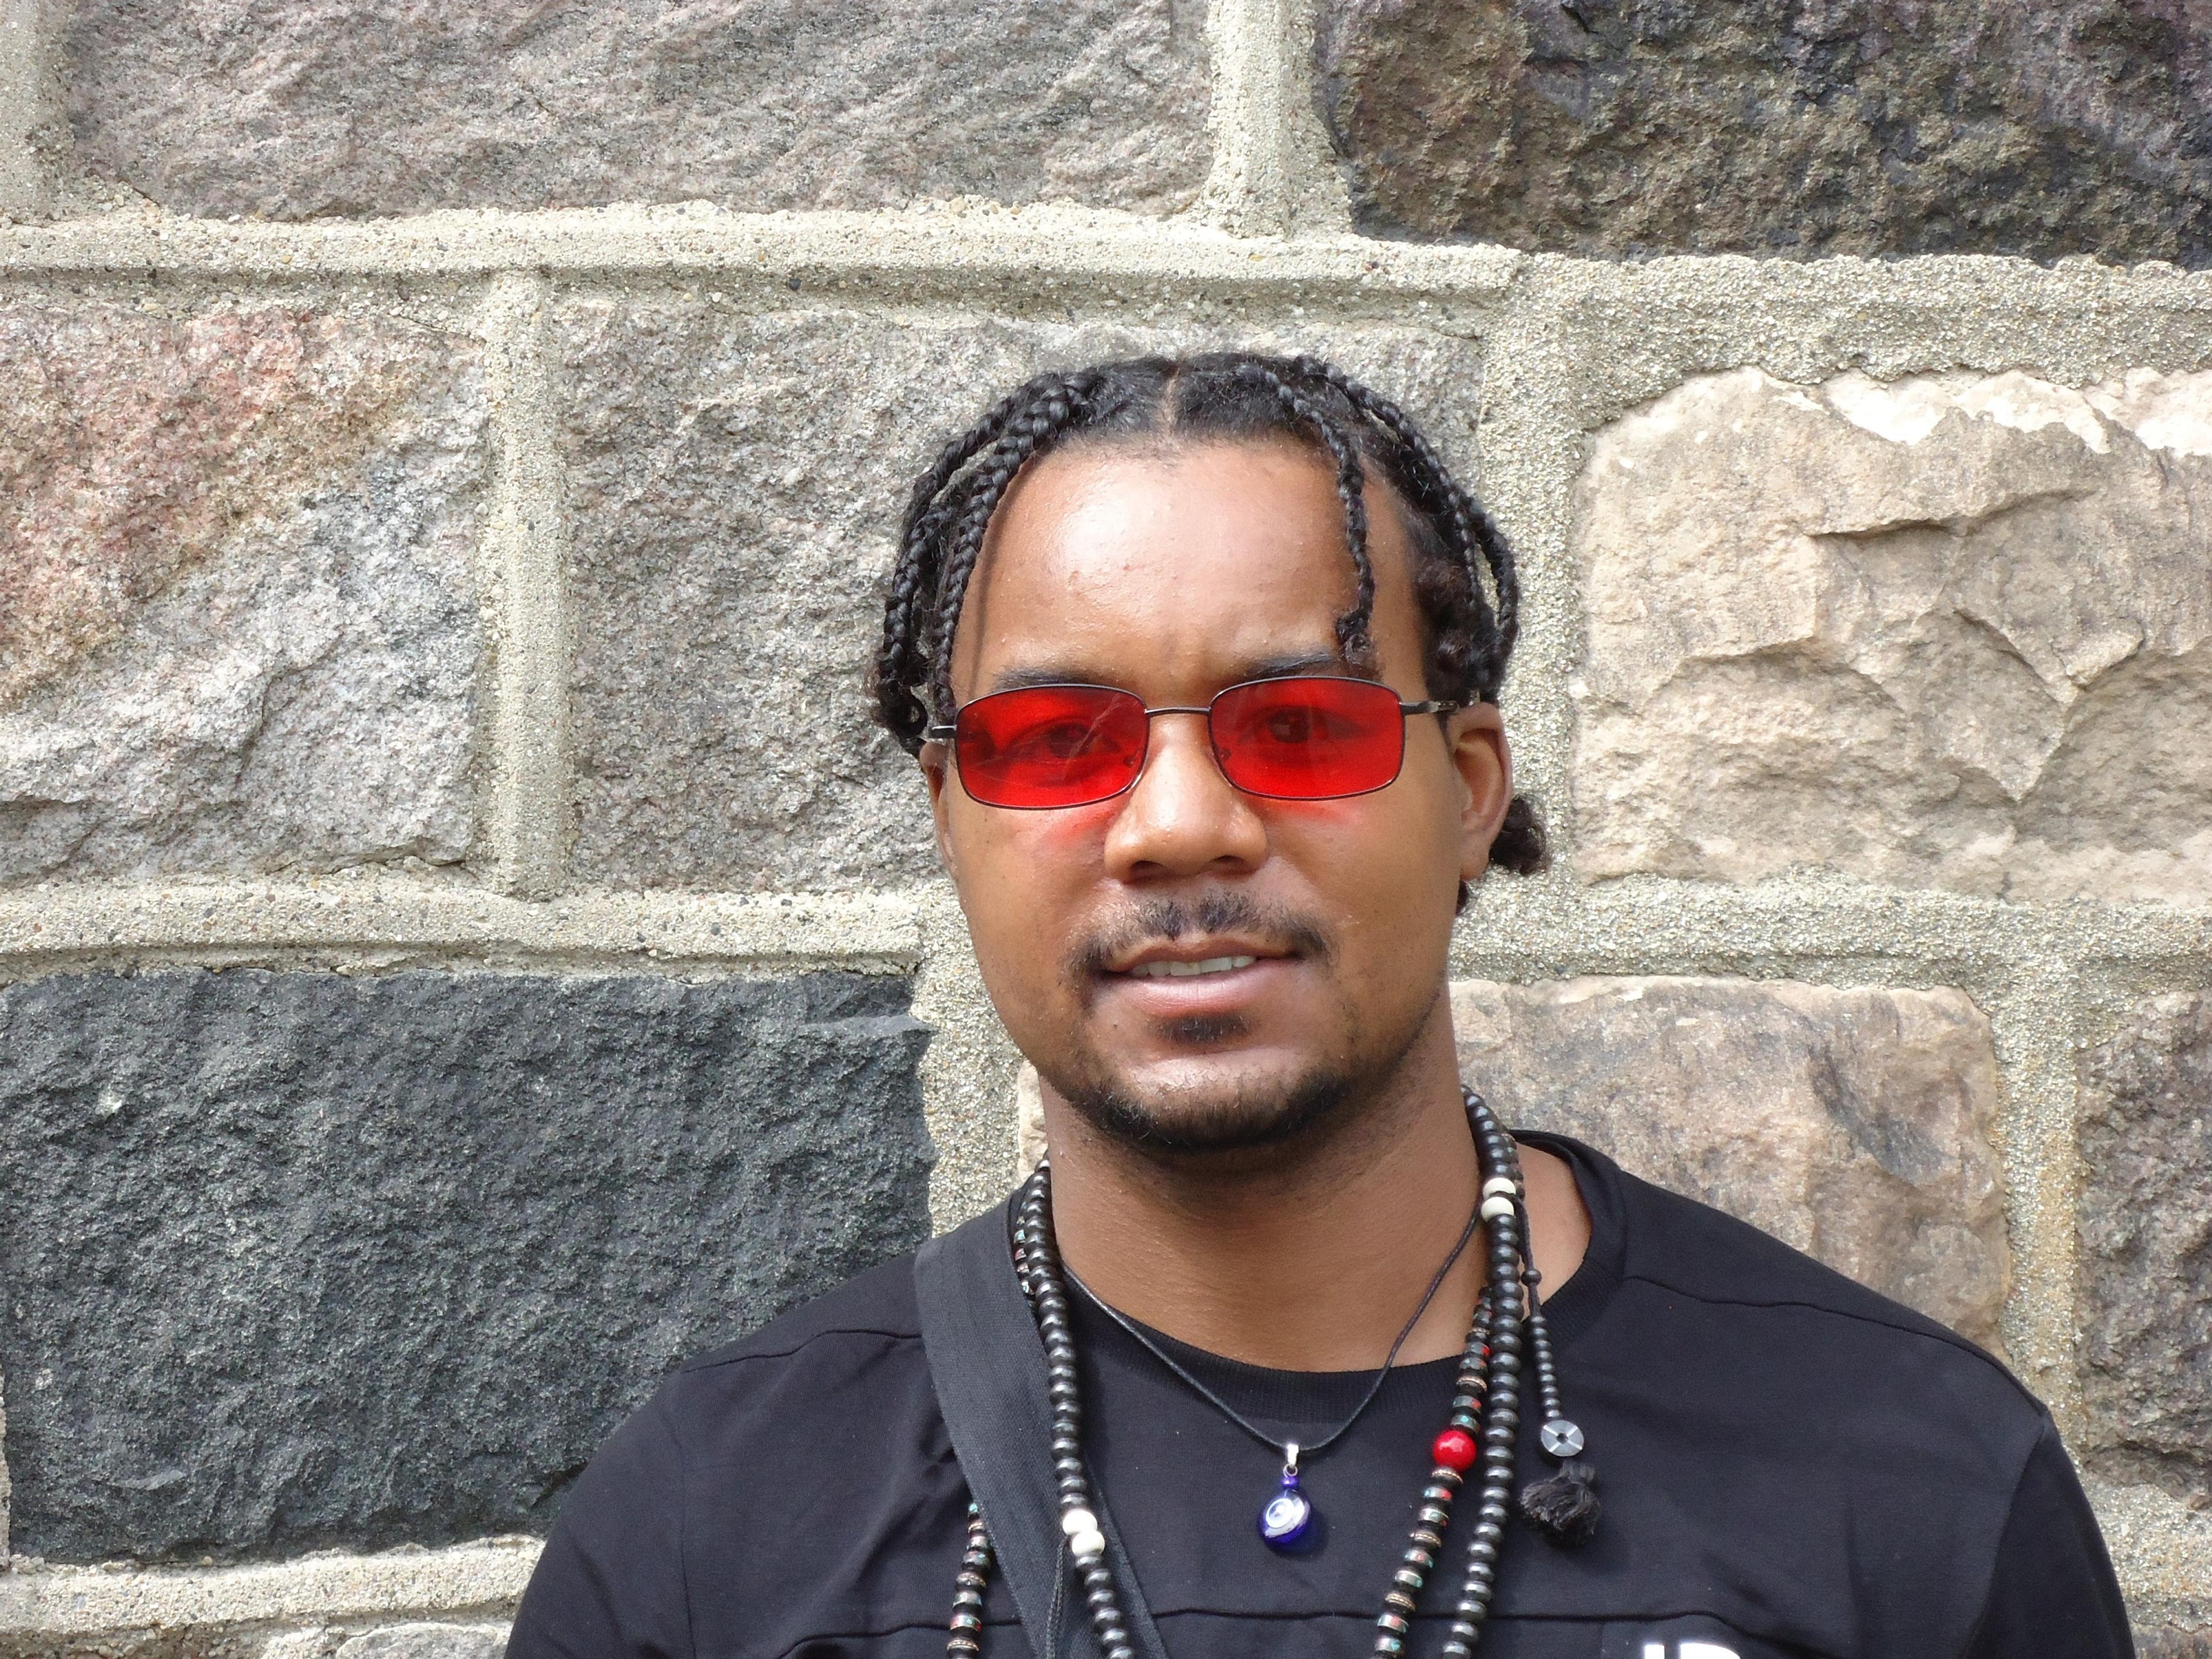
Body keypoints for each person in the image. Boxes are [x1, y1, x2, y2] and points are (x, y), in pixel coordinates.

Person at [507, 352, 2134, 1659]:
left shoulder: (1901, 1477)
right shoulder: (716, 1525)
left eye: (1300, 726)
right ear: (955, 816)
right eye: (1056, 744)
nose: (1177, 824)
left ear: (1471, 788)